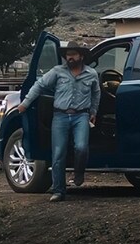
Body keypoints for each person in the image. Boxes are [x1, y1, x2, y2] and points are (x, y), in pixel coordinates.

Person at [17, 41, 100, 202]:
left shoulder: (91, 74)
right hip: (60, 116)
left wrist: (93, 112)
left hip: (81, 116)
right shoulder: (57, 72)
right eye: (68, 55)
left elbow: (96, 94)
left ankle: (79, 172)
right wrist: (25, 103)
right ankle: (59, 190)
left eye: (73, 54)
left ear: (81, 56)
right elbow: (39, 85)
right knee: (58, 153)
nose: (70, 57)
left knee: (82, 147)